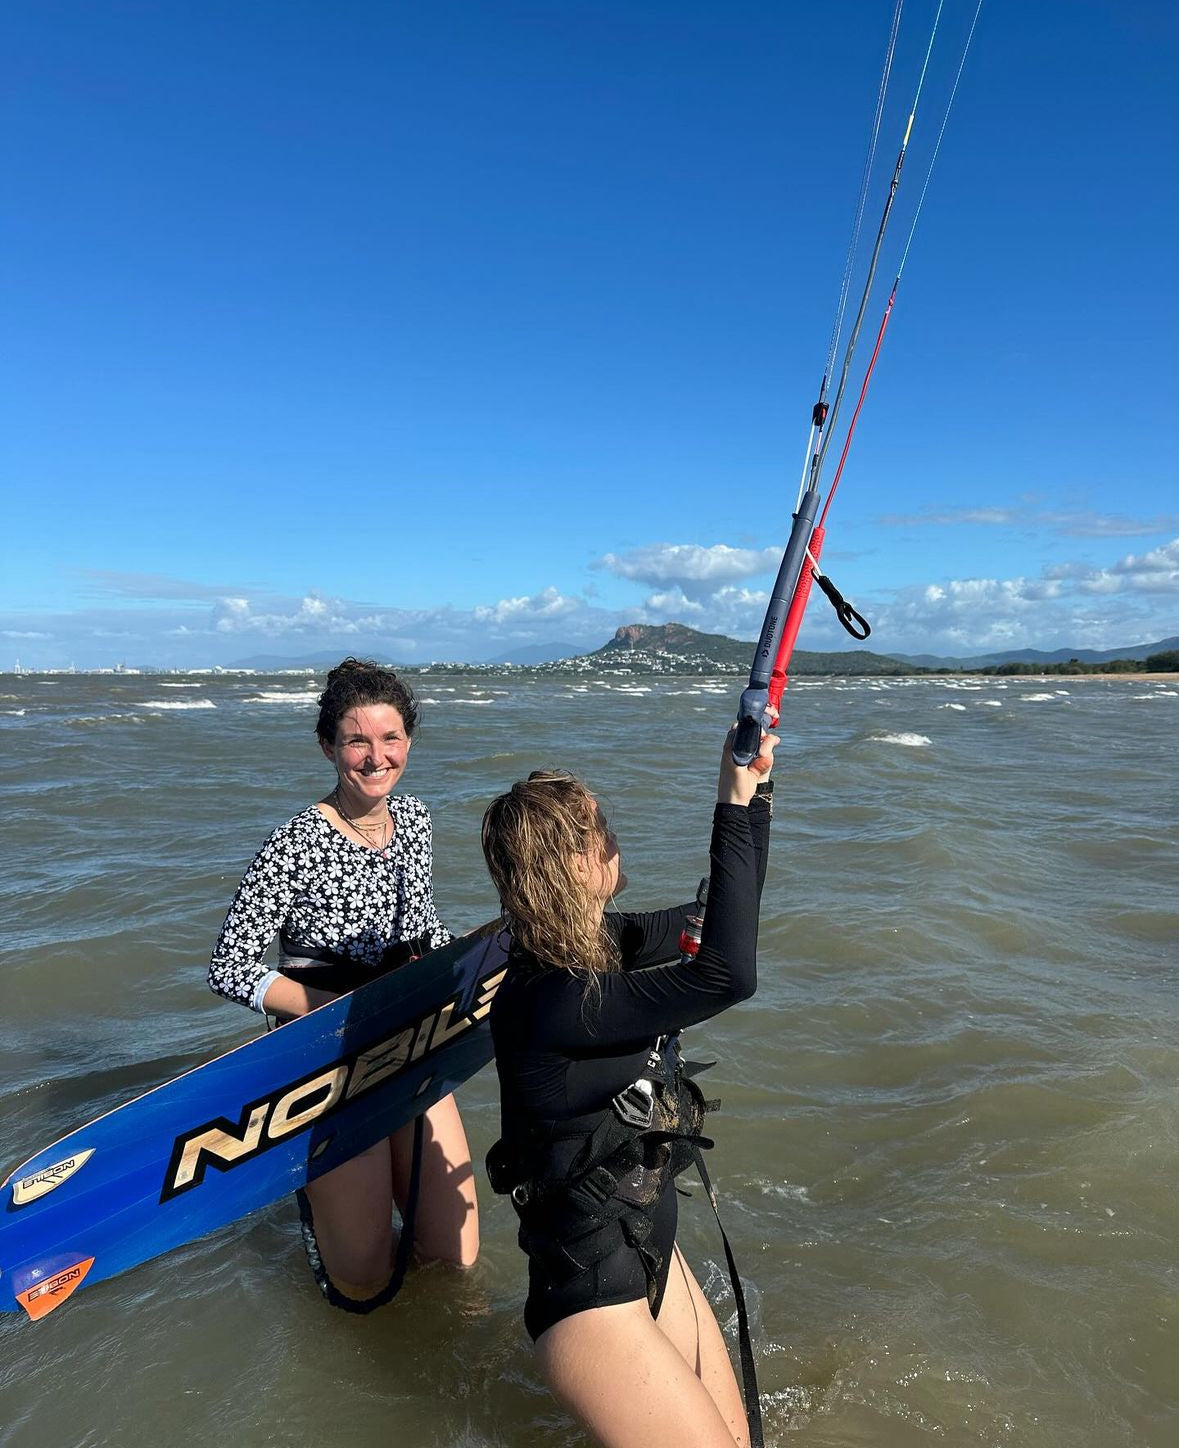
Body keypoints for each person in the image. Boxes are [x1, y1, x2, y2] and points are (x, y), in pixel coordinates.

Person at [480, 726, 777, 1448]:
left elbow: (720, 925)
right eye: (602, 829)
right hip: (589, 1303)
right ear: (574, 862)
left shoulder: (598, 942)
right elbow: (727, 975)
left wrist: (754, 792)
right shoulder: (550, 997)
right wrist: (724, 806)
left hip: (647, 1254)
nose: (616, 839)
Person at [208, 657, 479, 1311]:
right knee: (363, 1277)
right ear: (328, 745)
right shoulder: (291, 844)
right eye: (357, 739)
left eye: (390, 738)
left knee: (454, 1259)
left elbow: (426, 923)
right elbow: (230, 966)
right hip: (328, 1062)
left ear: (408, 741)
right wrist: (328, 1008)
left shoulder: (415, 821)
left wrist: (465, 973)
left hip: (411, 1040)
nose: (375, 756)